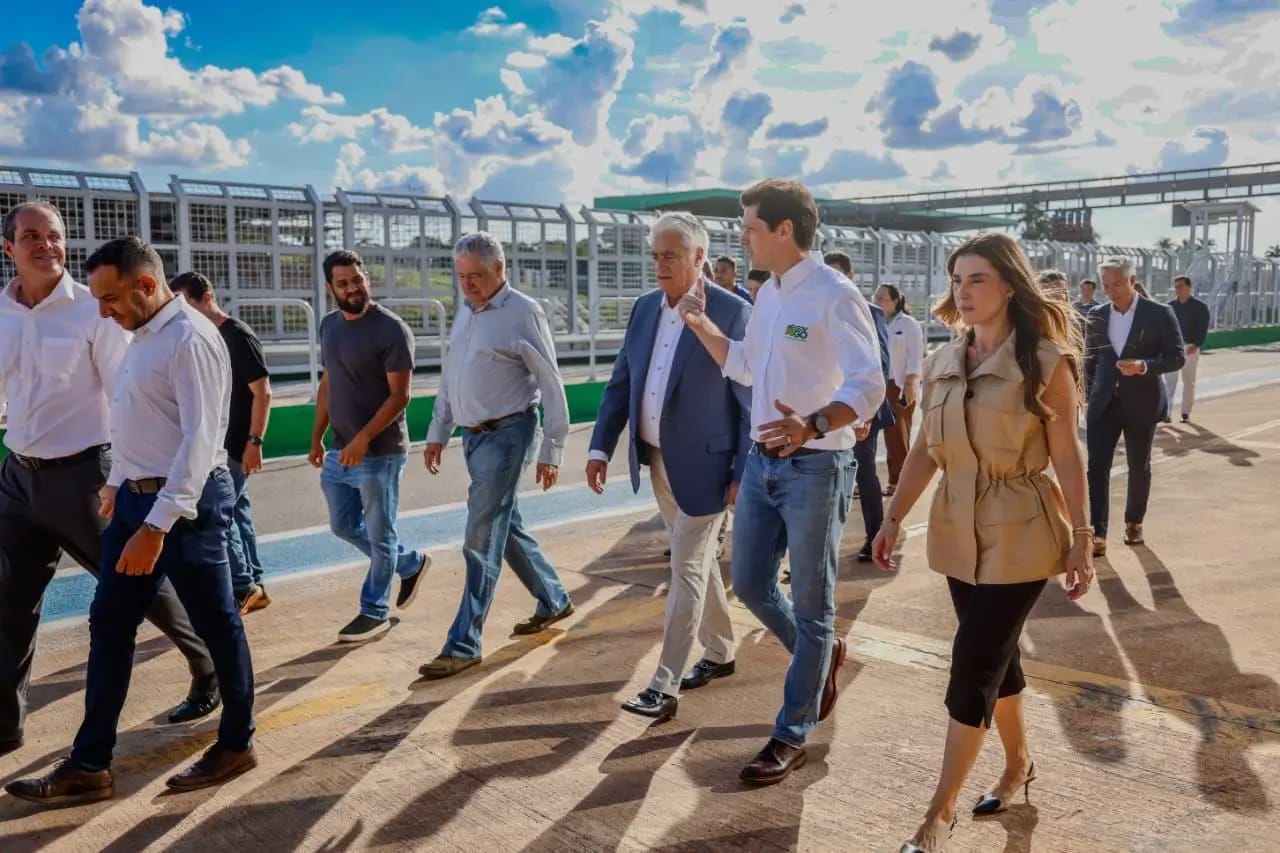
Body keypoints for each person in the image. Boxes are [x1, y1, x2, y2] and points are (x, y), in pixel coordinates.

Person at [6, 236, 258, 806]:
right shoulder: (139, 335)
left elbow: (200, 442)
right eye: (97, 299)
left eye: (111, 298)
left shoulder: (191, 339)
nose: (102, 311)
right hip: (136, 500)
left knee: (218, 625)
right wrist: (118, 482)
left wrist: (155, 525)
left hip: (185, 508)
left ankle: (237, 743)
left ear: (147, 284)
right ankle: (90, 763)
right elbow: (135, 418)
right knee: (110, 626)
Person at [871, 232, 1093, 853]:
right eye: (956, 281)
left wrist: (1083, 536)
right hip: (955, 530)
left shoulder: (1046, 362)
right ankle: (1019, 766)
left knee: (972, 666)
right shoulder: (944, 362)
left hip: (1020, 529)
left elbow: (1068, 455)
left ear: (1008, 286)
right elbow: (922, 451)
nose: (963, 293)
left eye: (977, 280)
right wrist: (891, 519)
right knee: (999, 660)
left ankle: (936, 816)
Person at [678, 179, 884, 785]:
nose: (743, 238)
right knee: (750, 583)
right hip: (763, 461)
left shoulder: (833, 295)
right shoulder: (767, 295)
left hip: (816, 465)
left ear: (784, 230)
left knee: (816, 604)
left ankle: (791, 732)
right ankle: (823, 661)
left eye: (750, 227)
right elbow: (744, 365)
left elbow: (867, 384)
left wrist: (812, 425)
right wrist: (701, 326)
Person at [588, 212, 752, 720]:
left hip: (707, 469)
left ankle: (665, 683)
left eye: (671, 255)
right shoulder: (643, 309)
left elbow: (750, 399)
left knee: (684, 568)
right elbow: (622, 382)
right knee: (694, 565)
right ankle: (721, 650)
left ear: (699, 257)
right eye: (655, 255)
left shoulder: (730, 311)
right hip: (656, 461)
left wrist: (742, 474)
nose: (659, 264)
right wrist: (599, 447)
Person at [421, 232, 575, 679]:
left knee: (480, 536)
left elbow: (550, 381)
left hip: (509, 432)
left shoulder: (522, 312)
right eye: (462, 276)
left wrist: (553, 447)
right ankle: (553, 598)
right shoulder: (466, 313)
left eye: (476, 276)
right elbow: (452, 376)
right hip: (473, 439)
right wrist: (438, 430)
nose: (467, 285)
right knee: (504, 528)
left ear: (500, 270)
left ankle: (464, 643)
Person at [309, 250, 430, 643]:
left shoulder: (391, 330)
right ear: (331, 288)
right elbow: (329, 381)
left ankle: (373, 611)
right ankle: (410, 563)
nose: (352, 289)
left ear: (367, 280)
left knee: (380, 534)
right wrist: (317, 434)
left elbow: (400, 397)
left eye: (357, 280)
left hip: (381, 453)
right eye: (343, 283)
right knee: (343, 525)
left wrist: (364, 438)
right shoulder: (329, 326)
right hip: (339, 450)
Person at [172, 272, 273, 615]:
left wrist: (254, 442)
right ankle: (254, 582)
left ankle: (243, 585)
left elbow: (263, 392)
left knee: (221, 516)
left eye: (186, 303)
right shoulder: (203, 336)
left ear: (206, 297)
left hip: (236, 445)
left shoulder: (236, 335)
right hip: (220, 443)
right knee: (238, 513)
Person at [1084, 257, 1185, 556]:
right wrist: (1088, 394)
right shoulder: (1097, 314)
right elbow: (1089, 360)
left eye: (1116, 283)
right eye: (1105, 285)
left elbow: (1176, 357)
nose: (1110, 290)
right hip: (1103, 404)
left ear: (1131, 279)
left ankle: (1133, 522)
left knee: (1138, 467)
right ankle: (1098, 532)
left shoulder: (1159, 313)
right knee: (1096, 468)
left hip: (1141, 403)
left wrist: (1143, 365)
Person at [824, 251, 894, 561]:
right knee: (823, 481)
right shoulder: (812, 311)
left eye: (838, 274)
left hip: (860, 412)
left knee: (863, 474)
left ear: (850, 277)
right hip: (825, 412)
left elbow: (879, 363)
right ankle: (815, 552)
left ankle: (875, 535)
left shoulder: (870, 311)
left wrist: (863, 413)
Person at [873, 284, 925, 496]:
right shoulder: (873, 323)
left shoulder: (908, 324)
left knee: (897, 436)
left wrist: (911, 383)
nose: (877, 301)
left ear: (895, 301)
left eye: (883, 298)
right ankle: (864, 482)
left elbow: (916, 357)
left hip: (898, 386)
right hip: (877, 384)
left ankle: (899, 482)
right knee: (867, 436)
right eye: (875, 297)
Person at [1165, 275, 1210, 423]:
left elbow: (1202, 328)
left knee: (1188, 381)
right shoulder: (1170, 307)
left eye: (1180, 286)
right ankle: (1167, 412)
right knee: (1170, 381)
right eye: (1176, 287)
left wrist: (1196, 344)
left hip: (1190, 347)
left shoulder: (1200, 307)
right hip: (1172, 347)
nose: (1177, 290)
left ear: (1189, 287)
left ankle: (1185, 413)